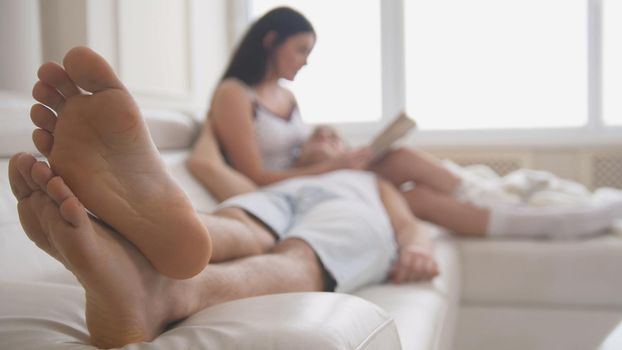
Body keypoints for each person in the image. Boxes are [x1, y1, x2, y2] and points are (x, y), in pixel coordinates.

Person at [12, 46, 438, 348]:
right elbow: (208, 166)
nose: (326, 138)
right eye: (318, 134)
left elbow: (408, 225)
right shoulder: (280, 178)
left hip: (347, 211)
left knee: (299, 255)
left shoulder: (371, 184)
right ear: (299, 148)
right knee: (238, 225)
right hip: (276, 197)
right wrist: (217, 120)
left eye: (335, 138)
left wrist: (418, 248)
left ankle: (163, 290)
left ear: (352, 153)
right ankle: (132, 241)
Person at [190, 6, 622, 240]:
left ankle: (529, 217)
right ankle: (519, 210)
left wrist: (320, 142)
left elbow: (290, 150)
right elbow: (256, 175)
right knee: (401, 166)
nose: (306, 61)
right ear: (271, 40)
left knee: (413, 193)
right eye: (301, 49)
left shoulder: (287, 96)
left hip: (317, 177)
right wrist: (334, 166)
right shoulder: (235, 94)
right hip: (288, 192)